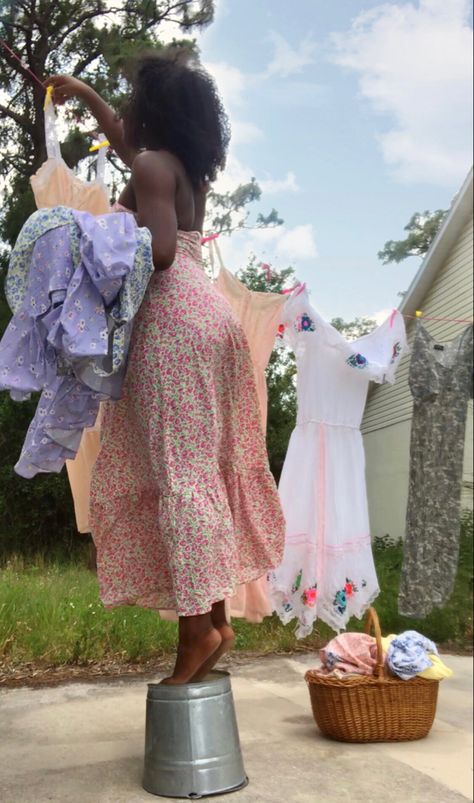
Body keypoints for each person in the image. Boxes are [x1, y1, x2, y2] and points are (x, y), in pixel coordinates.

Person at [46, 49, 285, 684]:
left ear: (152, 113)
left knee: (180, 475)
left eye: (130, 106)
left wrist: (81, 237)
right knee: (199, 471)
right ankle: (214, 619)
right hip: (208, 318)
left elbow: (152, 251)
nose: (122, 115)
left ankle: (196, 635)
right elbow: (130, 149)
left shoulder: (153, 167)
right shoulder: (179, 169)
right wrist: (85, 92)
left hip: (171, 320)